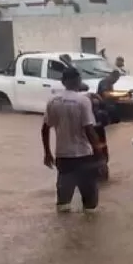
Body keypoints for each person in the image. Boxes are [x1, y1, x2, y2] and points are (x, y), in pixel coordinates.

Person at [41, 68, 104, 213]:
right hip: (84, 156)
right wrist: (100, 156)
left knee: (63, 204)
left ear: (63, 82)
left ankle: (64, 225)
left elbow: (45, 129)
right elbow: (89, 130)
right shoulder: (83, 101)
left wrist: (47, 153)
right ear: (79, 81)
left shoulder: (53, 101)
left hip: (63, 157)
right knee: (90, 205)